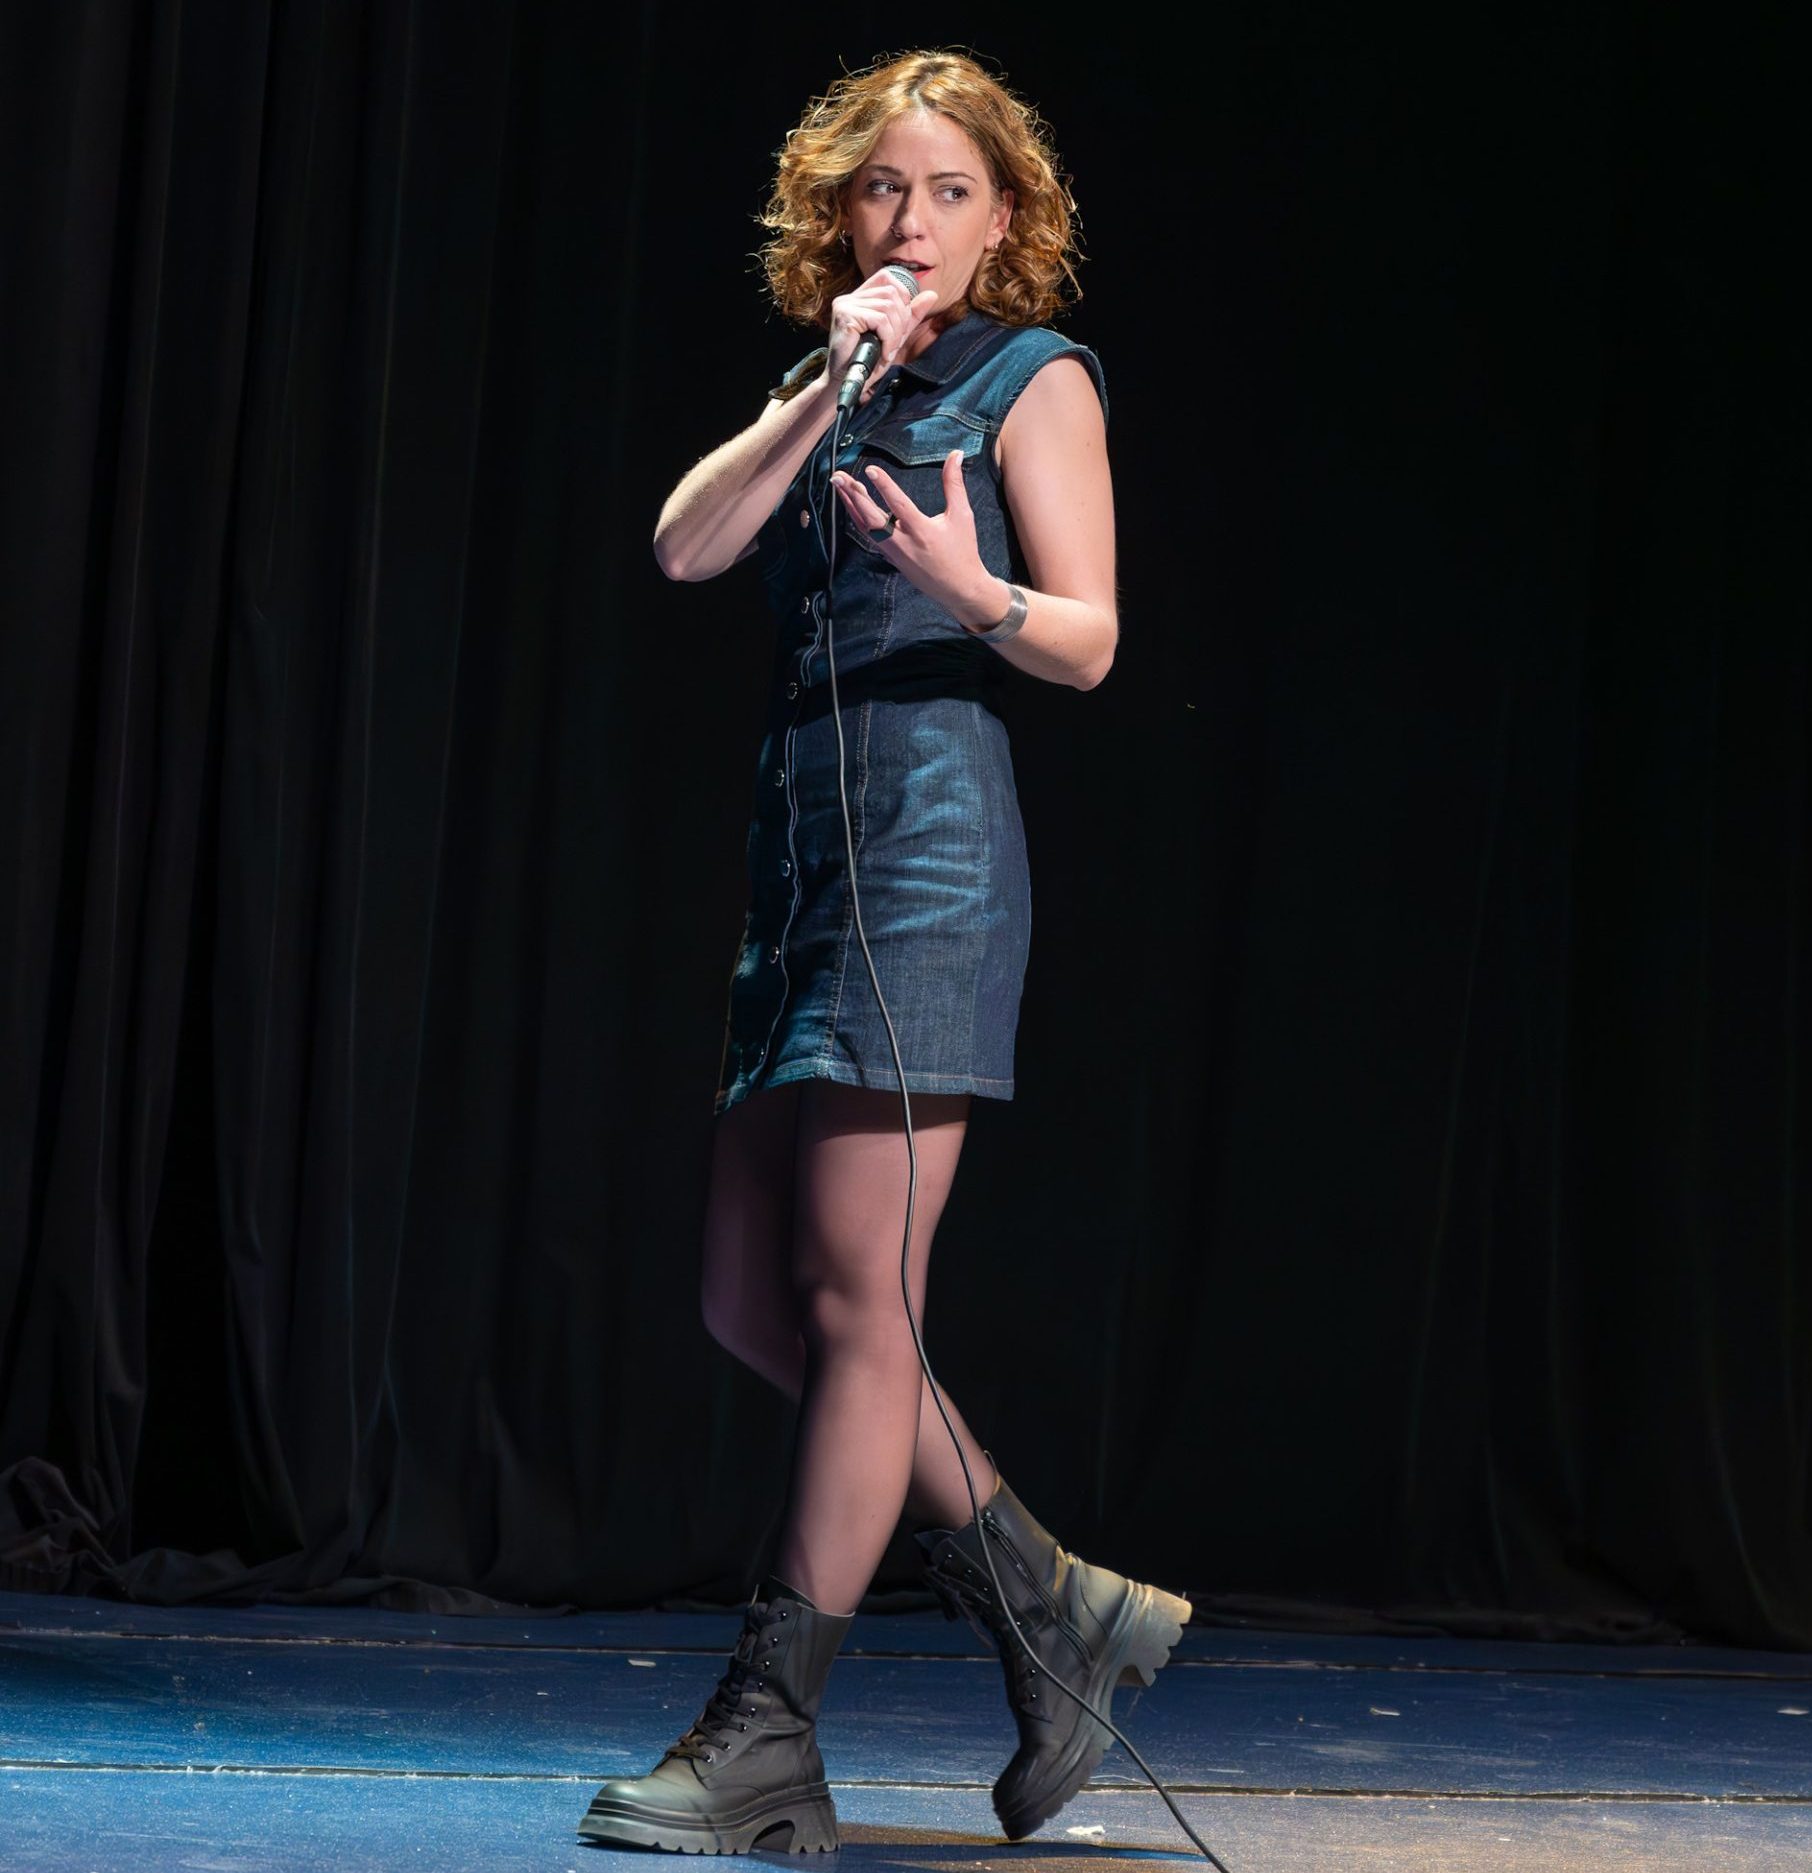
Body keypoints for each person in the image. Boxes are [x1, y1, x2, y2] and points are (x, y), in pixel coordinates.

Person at [578, 50, 1190, 1856]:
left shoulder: (1033, 376)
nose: (909, 222)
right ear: (836, 215)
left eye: (947, 192)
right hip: (802, 860)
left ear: (1005, 218)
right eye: (879, 190)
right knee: (748, 1299)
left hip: (928, 844)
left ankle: (767, 1734)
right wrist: (820, 392)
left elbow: (1087, 638)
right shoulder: (829, 381)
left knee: (862, 1297)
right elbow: (686, 546)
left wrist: (963, 584)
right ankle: (1049, 1597)